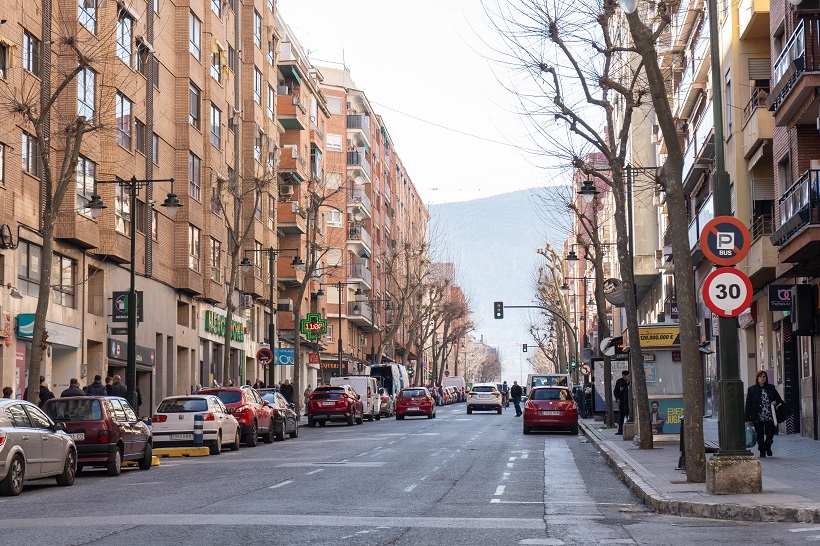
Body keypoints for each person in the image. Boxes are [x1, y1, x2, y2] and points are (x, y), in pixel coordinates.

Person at [745, 370, 784, 458]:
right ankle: (762, 451)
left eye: (764, 377)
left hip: (769, 415)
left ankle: (767, 446)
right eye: (760, 377)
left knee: (770, 434)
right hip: (757, 415)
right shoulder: (752, 389)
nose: (762, 378)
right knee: (760, 434)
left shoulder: (771, 388)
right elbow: (748, 404)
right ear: (757, 378)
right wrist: (747, 418)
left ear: (766, 378)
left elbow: (778, 399)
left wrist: (775, 401)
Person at [614, 370, 630, 435]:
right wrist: (617, 398)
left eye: (626, 376)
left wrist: (628, 382)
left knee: (628, 415)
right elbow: (615, 391)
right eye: (624, 375)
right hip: (621, 401)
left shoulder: (630, 382)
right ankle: (620, 430)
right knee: (621, 416)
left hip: (629, 402)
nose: (625, 377)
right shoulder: (619, 381)